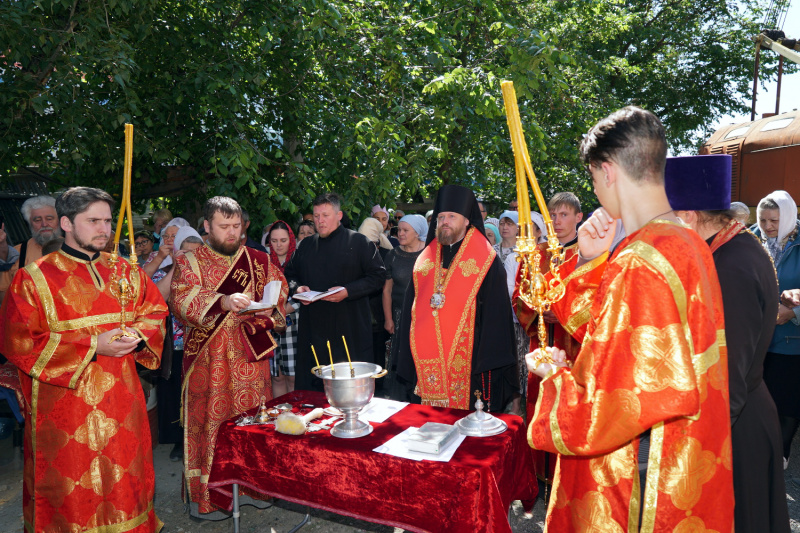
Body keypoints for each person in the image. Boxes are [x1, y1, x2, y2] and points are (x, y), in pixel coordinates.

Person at [526, 107, 733, 531]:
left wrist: (554, 379)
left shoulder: (641, 258)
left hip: (639, 470)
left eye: (594, 179)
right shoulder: (686, 242)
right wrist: (587, 256)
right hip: (681, 451)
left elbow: (624, 403)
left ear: (608, 171)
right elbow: (616, 331)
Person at [0, 186, 168, 532]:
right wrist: (92, 345)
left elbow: (154, 310)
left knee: (127, 484)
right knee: (70, 497)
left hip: (122, 404)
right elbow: (20, 342)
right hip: (63, 413)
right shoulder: (33, 279)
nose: (104, 229)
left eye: (107, 221)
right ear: (66, 223)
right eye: (93, 221)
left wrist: (138, 336)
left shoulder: (126, 270)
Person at [667, 155, 790, 533]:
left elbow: (729, 376)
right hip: (743, 418)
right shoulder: (735, 247)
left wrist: (695, 450)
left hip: (736, 431)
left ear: (688, 214)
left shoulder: (730, 265)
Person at [170, 196, 288, 519]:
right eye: (224, 227)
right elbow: (181, 300)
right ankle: (208, 497)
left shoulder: (258, 260)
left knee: (254, 422)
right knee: (213, 425)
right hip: (210, 363)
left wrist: (269, 309)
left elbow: (280, 291)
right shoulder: (189, 262)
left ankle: (253, 488)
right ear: (206, 227)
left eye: (237, 226)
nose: (232, 233)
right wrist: (222, 301)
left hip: (251, 362)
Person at [396, 185, 517, 411]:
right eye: (441, 217)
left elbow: (495, 314)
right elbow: (411, 309)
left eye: (452, 216)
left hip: (469, 359)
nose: (445, 221)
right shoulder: (425, 260)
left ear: (467, 220)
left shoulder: (486, 260)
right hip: (426, 359)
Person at [284, 192, 387, 391]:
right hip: (313, 330)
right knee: (313, 390)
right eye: (316, 216)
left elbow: (378, 276)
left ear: (339, 216)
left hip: (350, 329)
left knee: (349, 391)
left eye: (325, 215)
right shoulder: (305, 246)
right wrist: (298, 288)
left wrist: (348, 291)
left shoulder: (358, 242)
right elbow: (289, 275)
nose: (320, 221)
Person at [752, 190, 800, 470]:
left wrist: (793, 312)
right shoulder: (750, 239)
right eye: (762, 220)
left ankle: (780, 452)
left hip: (791, 341)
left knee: (787, 402)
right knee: (758, 398)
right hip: (757, 338)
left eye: (774, 221)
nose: (768, 227)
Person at [152, 226, 204, 462]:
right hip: (176, 346)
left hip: (203, 343)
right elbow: (157, 297)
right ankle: (179, 440)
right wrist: (177, 266)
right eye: (186, 252)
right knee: (175, 394)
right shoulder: (166, 272)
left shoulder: (209, 274)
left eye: (196, 253)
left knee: (200, 393)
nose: (191, 257)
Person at [382, 214, 427, 398]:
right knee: (399, 358)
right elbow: (387, 290)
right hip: (399, 316)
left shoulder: (430, 254)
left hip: (423, 317)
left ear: (418, 232)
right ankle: (399, 398)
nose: (400, 234)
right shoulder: (393, 255)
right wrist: (388, 318)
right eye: (398, 230)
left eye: (405, 230)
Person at [0, 195, 61, 299]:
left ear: (60, 221)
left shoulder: (78, 248)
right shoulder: (15, 253)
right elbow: (4, 295)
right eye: (37, 220)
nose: (44, 224)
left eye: (49, 218)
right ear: (29, 224)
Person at [267, 221, 299, 396]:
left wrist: (284, 310)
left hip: (294, 324)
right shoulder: (264, 263)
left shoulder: (299, 260)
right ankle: (280, 418)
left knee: (293, 376)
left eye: (283, 240)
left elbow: (307, 291)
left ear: (291, 240)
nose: (278, 245)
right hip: (270, 324)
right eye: (274, 240)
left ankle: (294, 418)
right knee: (276, 376)